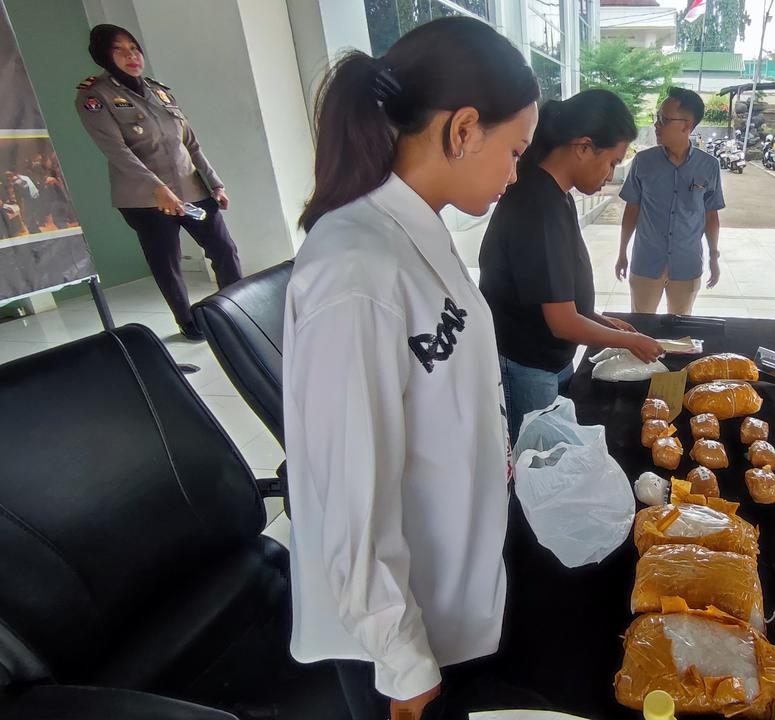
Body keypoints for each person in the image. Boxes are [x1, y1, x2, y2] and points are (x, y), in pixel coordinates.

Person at [283, 17, 541, 720]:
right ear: (463, 130)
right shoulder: (356, 270)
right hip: (392, 645)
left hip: (451, 582)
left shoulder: (415, 232)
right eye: (514, 149)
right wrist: (403, 663)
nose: (516, 172)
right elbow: (348, 489)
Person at [480, 89, 664, 441]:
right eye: (611, 161)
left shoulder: (555, 195)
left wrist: (598, 320)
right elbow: (562, 322)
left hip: (550, 358)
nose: (611, 174)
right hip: (527, 363)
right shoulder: (537, 203)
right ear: (583, 146)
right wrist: (628, 342)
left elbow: (553, 292)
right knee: (538, 461)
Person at [76, 24, 241, 341]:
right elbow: (117, 151)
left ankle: (235, 307)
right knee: (167, 263)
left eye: (134, 48)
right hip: (146, 200)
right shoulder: (94, 96)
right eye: (120, 50)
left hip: (192, 192)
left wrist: (215, 183)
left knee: (223, 249)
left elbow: (190, 145)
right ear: (103, 56)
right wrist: (157, 189)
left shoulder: (159, 91)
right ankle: (187, 320)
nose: (131, 55)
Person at [616, 88, 725, 315]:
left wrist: (714, 257)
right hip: (646, 262)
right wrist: (622, 252)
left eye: (663, 119)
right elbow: (632, 210)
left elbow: (710, 215)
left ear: (687, 124)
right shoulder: (643, 162)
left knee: (680, 334)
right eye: (657, 118)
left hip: (687, 264)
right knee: (641, 329)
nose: (657, 125)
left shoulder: (709, 166)